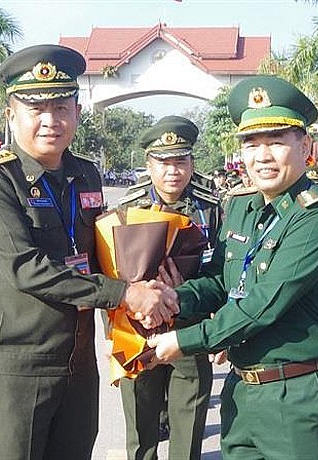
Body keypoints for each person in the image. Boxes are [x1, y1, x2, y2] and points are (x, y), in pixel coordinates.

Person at [0, 44, 178, 459]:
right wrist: (125, 294)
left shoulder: (85, 173)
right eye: (36, 109)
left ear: (76, 112)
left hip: (79, 364)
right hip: (18, 365)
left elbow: (103, 254)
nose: (50, 121)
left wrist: (152, 278)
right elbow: (26, 268)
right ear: (11, 114)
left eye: (61, 107)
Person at [148, 75, 318, 459]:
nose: (262, 155)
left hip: (299, 394)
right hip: (243, 389)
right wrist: (172, 298)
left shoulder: (317, 217)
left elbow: (262, 303)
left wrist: (184, 341)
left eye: (276, 141)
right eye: (251, 144)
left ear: (304, 146)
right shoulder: (241, 206)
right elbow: (221, 281)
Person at [117, 116, 222, 460]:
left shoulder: (212, 208)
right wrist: (113, 338)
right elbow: (110, 272)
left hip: (190, 328)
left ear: (192, 163)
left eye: (181, 161)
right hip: (138, 331)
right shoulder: (127, 209)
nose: (172, 171)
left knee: (188, 429)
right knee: (140, 431)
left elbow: (225, 271)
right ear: (149, 165)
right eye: (163, 162)